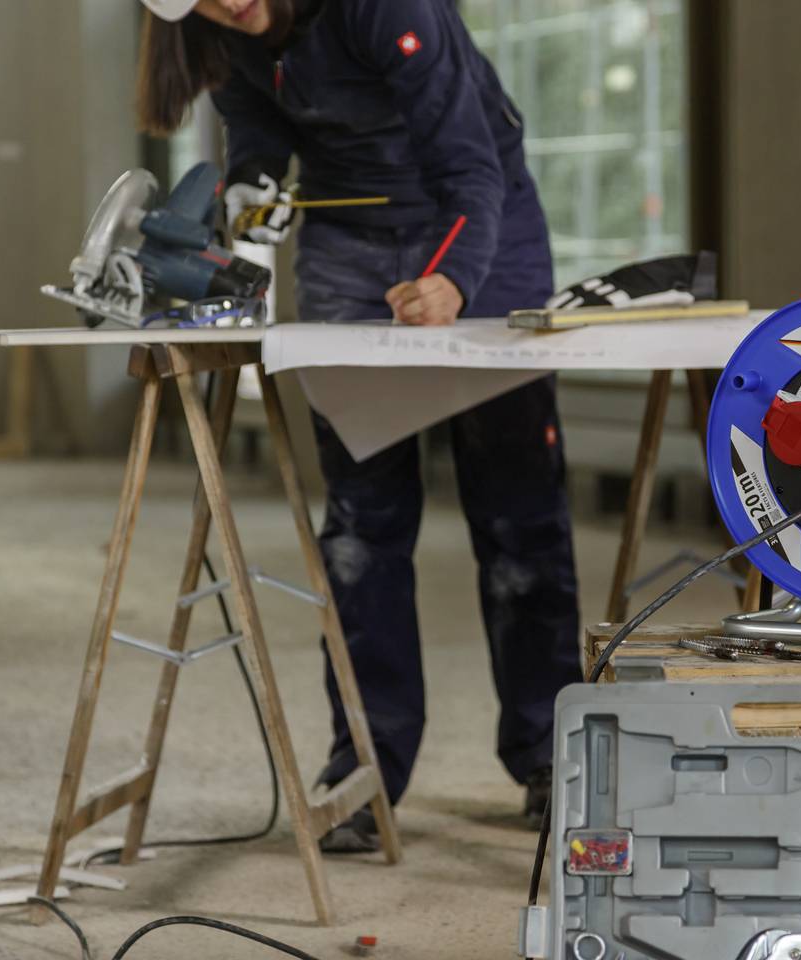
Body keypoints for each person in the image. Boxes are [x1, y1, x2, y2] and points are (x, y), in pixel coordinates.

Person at [136, 0, 582, 851]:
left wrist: (450, 280)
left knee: (519, 516)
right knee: (361, 529)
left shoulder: (385, 6)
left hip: (480, 224)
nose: (229, 2)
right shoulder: (212, 30)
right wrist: (250, 186)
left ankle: (547, 757)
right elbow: (257, 130)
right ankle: (364, 769)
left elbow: (472, 166)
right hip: (346, 242)